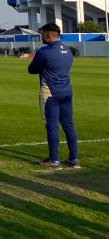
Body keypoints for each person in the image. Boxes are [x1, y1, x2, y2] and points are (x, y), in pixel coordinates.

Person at [28, 23, 80, 169]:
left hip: (50, 92)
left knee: (51, 125)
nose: (41, 37)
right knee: (68, 124)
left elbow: (31, 69)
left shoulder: (44, 52)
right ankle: (74, 158)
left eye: (42, 34)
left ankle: (53, 160)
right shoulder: (68, 50)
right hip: (66, 91)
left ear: (48, 35)